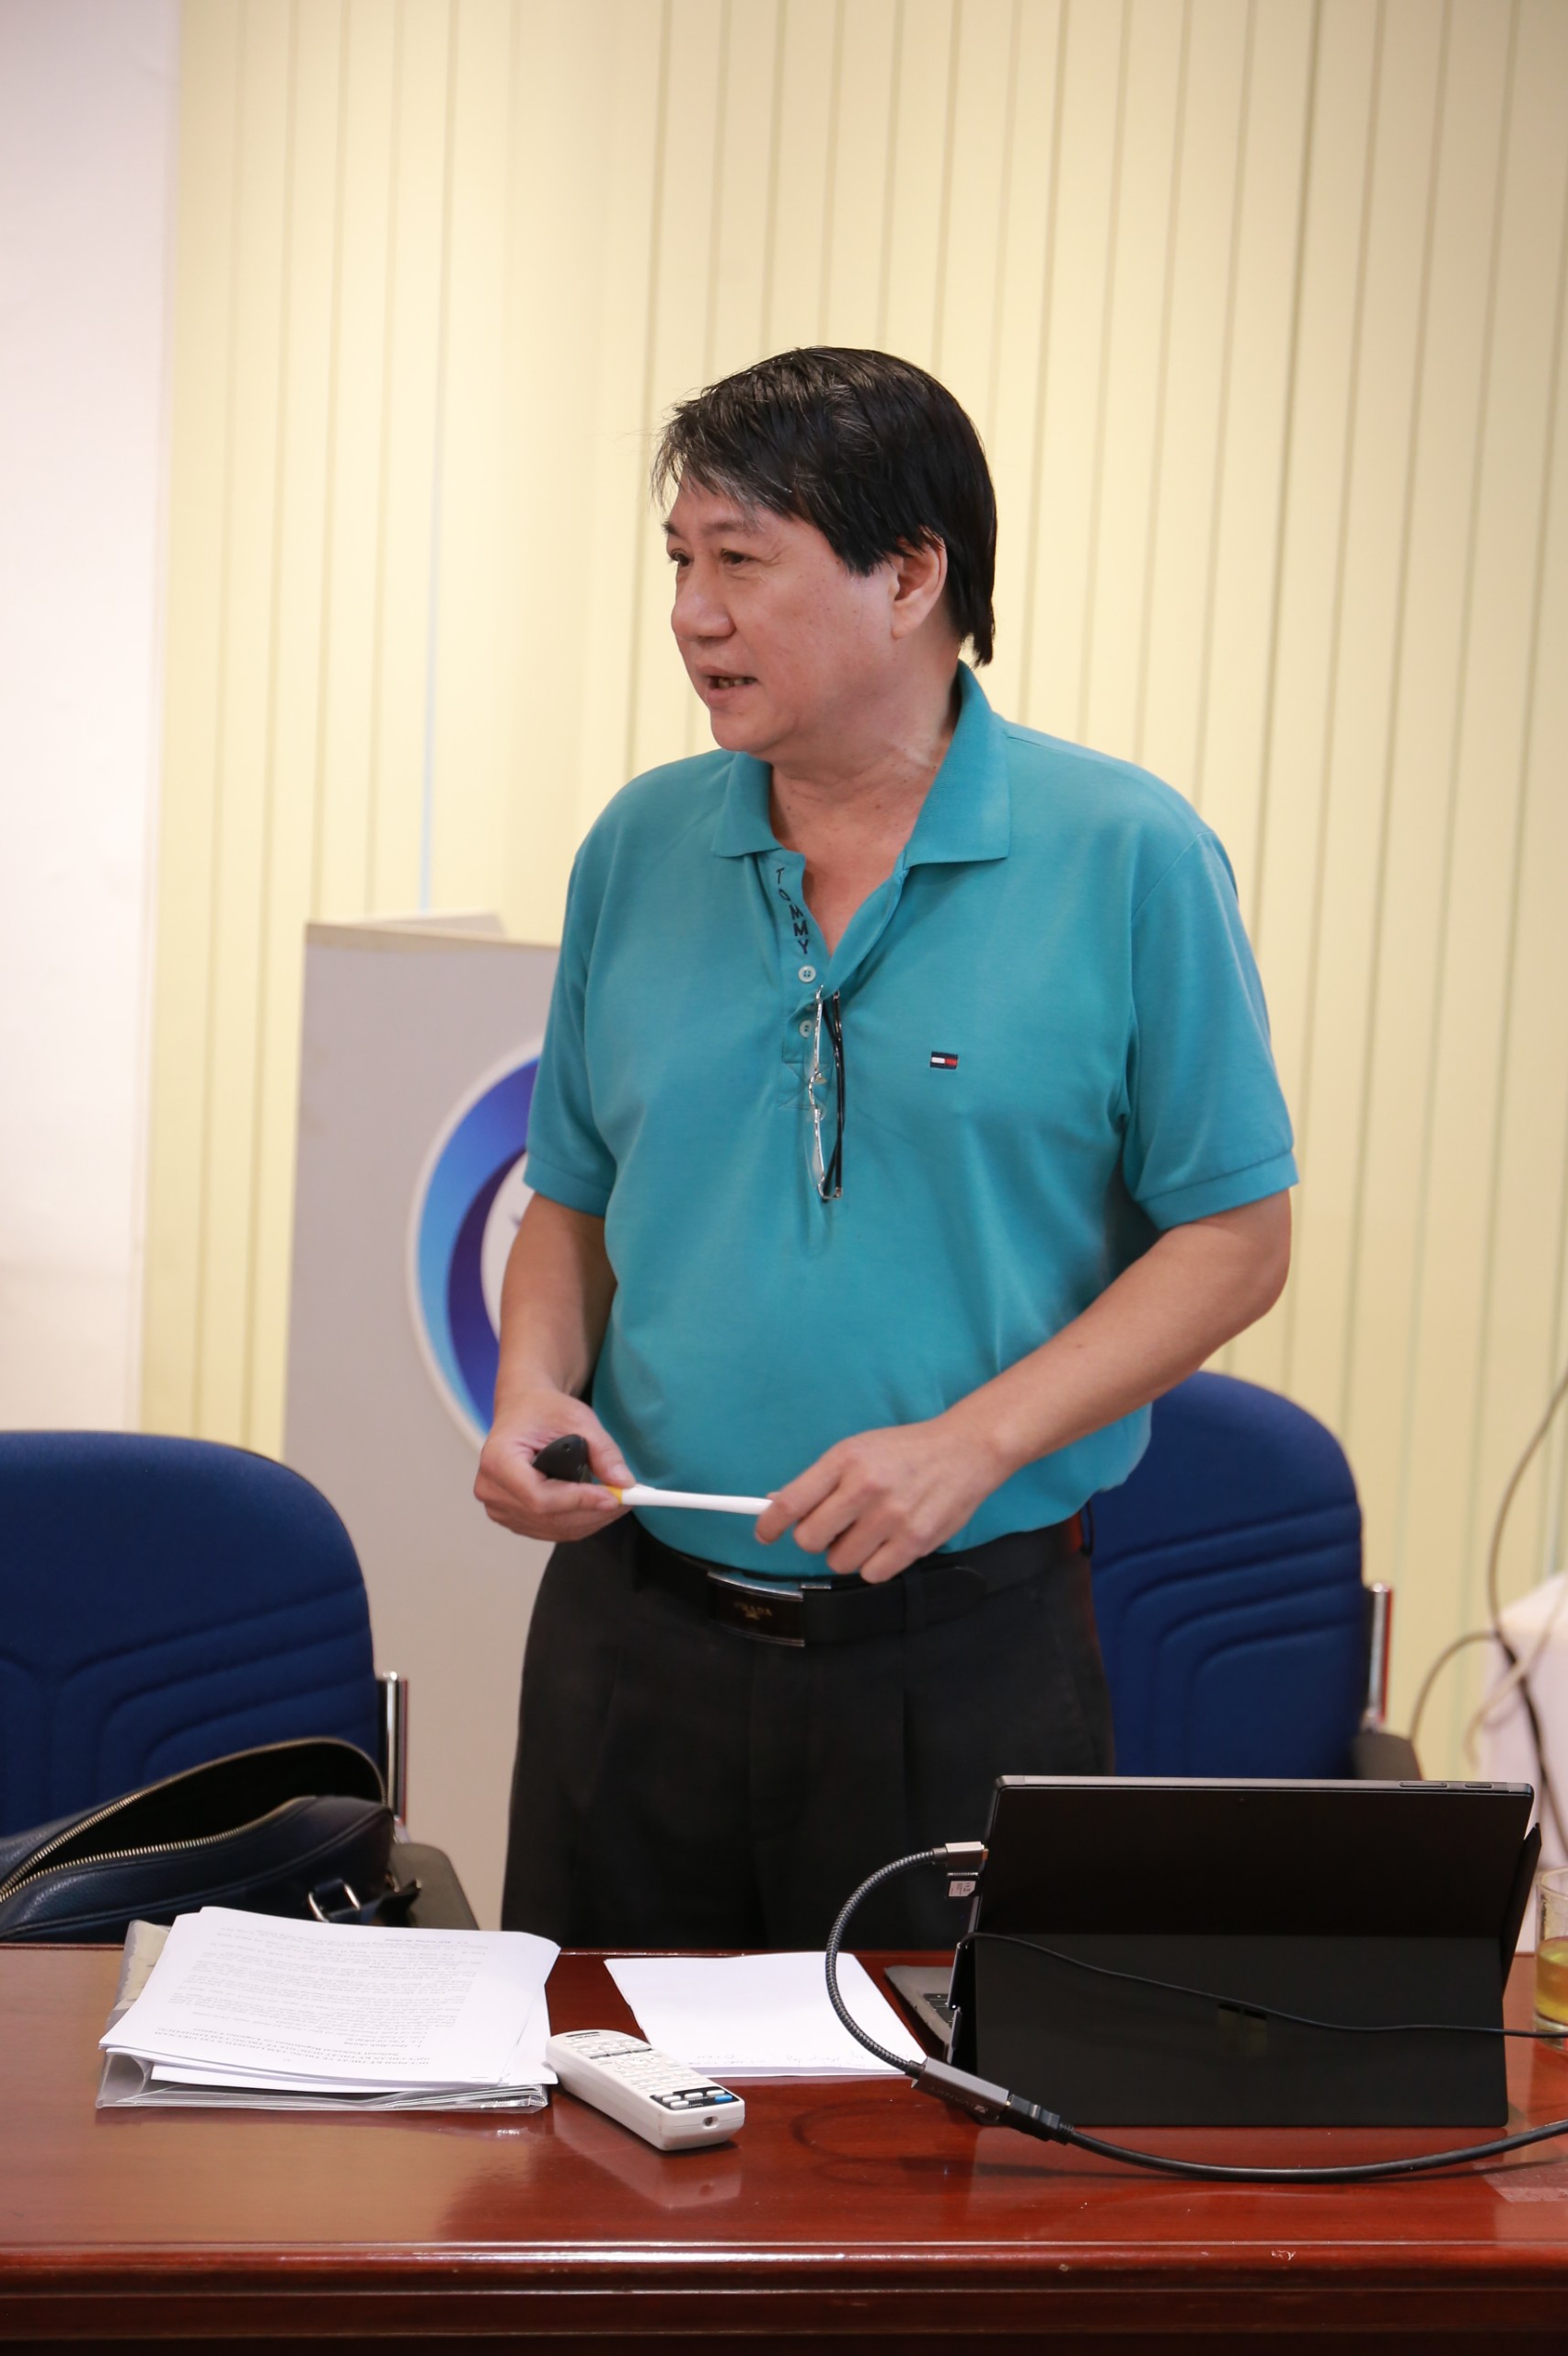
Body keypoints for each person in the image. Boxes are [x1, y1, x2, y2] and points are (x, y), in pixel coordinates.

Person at [476, 348, 1295, 1948]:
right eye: (677, 562)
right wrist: (529, 1391)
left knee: (936, 2104)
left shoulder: (1125, 855)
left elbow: (1233, 1240)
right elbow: (570, 1200)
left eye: (739, 562)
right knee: (586, 2087)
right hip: (629, 1649)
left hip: (962, 1656)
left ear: (910, 577)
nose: (691, 616)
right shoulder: (639, 845)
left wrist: (967, 1446)